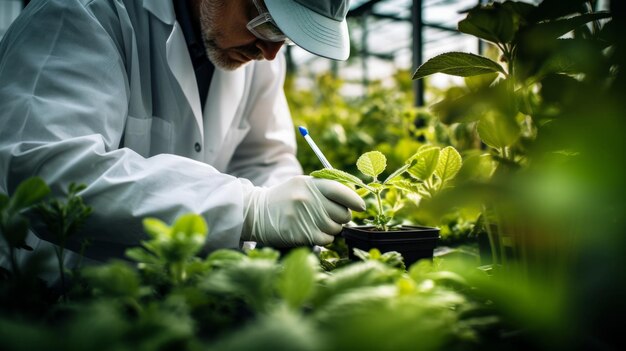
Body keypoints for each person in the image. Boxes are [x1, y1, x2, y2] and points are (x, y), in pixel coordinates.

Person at [0, 0, 364, 266]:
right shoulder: (85, 12)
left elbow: (263, 158)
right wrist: (249, 209)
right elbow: (53, 171)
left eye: (286, 36)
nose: (270, 51)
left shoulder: (260, 53)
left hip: (179, 291)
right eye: (268, 22)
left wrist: (285, 217)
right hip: (63, 296)